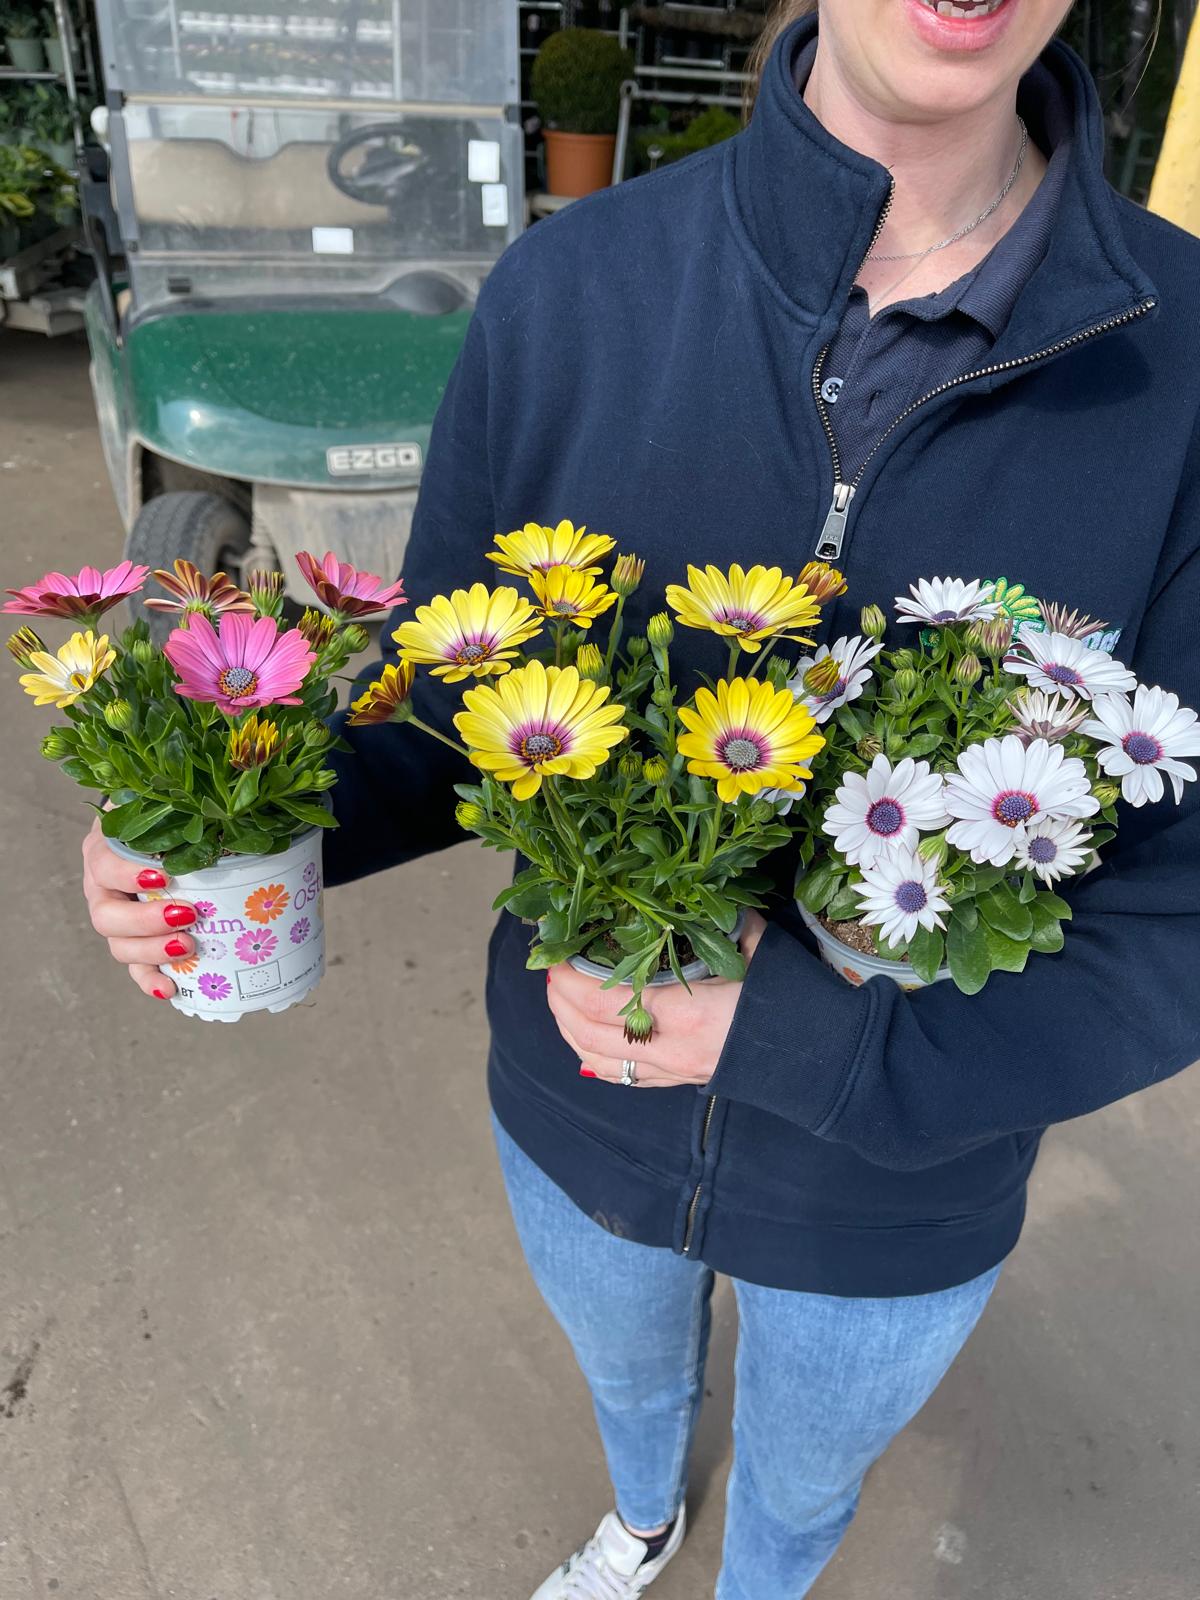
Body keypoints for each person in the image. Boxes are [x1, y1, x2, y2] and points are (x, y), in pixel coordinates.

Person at [81, 0, 1200, 1594]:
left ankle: (759, 1570)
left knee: (809, 1481)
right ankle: (643, 1518)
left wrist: (807, 1039)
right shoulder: (573, 286)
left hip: (898, 1194)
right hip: (578, 1116)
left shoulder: (1180, 369)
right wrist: (233, 816)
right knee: (628, 1384)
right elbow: (452, 706)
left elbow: (1181, 915)